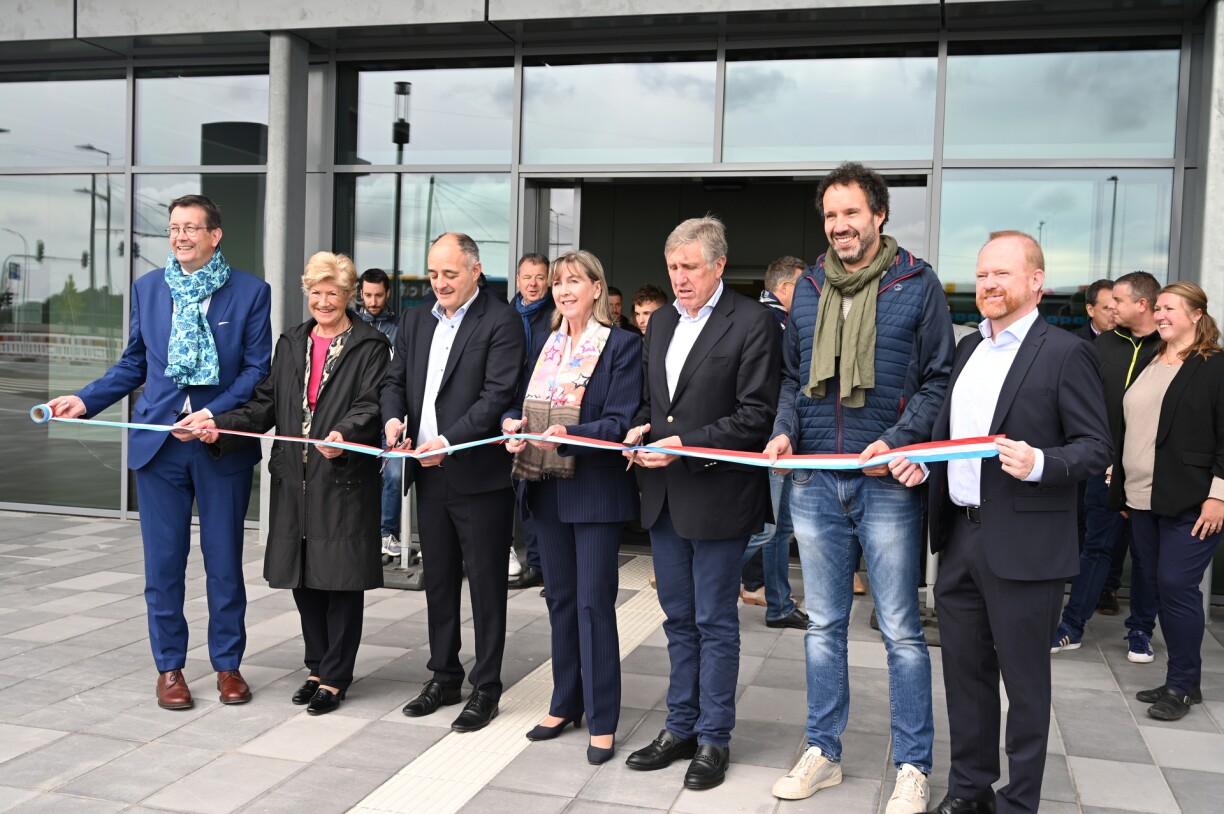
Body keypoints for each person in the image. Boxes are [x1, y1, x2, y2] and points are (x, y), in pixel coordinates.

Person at [890, 231, 1111, 814]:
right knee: (966, 677)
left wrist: (1041, 463)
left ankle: (1019, 802)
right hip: (960, 537)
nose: (989, 284)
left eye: (1002, 274)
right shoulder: (967, 351)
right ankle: (970, 791)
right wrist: (924, 463)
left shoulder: (1065, 353)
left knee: (1025, 685)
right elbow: (951, 438)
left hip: (1026, 546)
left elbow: (1096, 447)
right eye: (983, 274)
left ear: (1036, 281)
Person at [764, 162, 952, 812]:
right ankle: (824, 751)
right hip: (817, 479)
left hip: (887, 485)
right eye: (831, 216)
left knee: (900, 630)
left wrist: (897, 442)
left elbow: (937, 381)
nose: (840, 226)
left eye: (851, 213)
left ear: (878, 215)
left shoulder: (918, 285)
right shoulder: (809, 287)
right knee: (822, 627)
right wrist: (786, 431)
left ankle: (912, 766)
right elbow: (792, 378)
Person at [45, 194, 270, 711]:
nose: (180, 236)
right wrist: (85, 398)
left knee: (223, 564)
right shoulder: (148, 289)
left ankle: (228, 666)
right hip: (160, 449)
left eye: (192, 228)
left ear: (215, 235)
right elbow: (134, 365)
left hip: (219, 447)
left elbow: (258, 371)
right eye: (173, 228)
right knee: (163, 567)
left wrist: (215, 415)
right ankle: (170, 668)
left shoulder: (251, 292)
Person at [622, 216, 780, 791]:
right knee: (678, 620)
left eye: (690, 267)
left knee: (715, 622)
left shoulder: (754, 323)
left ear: (718, 265)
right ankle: (680, 727)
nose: (680, 278)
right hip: (663, 497)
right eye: (673, 268)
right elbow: (651, 402)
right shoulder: (660, 321)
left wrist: (683, 447)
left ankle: (715, 738)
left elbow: (755, 415)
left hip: (717, 494)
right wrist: (640, 431)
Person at [197, 252, 389, 715]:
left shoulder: (370, 345)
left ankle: (337, 677)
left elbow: (372, 403)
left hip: (341, 478)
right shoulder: (291, 341)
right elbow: (266, 403)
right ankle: (317, 667)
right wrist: (218, 425)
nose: (323, 301)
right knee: (304, 576)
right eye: (316, 292)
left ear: (348, 296)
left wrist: (347, 432)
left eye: (333, 292)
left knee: (339, 581)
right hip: (294, 478)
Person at [501, 250, 642, 765]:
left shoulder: (623, 346)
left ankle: (603, 717)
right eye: (558, 282)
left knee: (593, 604)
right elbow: (520, 406)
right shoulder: (545, 343)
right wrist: (515, 429)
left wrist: (569, 434)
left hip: (595, 489)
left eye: (573, 281)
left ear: (597, 288)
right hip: (545, 485)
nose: (562, 289)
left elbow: (620, 420)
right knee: (559, 598)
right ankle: (565, 702)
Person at [382, 233, 525, 733]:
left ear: (475, 271)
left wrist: (447, 439)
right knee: (437, 581)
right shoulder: (416, 318)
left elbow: (496, 395)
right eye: (434, 273)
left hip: (478, 475)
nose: (439, 282)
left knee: (486, 586)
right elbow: (395, 380)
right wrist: (392, 419)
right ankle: (444, 675)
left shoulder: (501, 320)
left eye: (450, 273)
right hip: (428, 473)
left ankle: (486, 686)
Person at [1108, 281, 1223, 721]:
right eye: (1157, 308)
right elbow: (1132, 431)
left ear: (1196, 314)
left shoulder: (1213, 366)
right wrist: (1122, 489)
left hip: (1193, 500)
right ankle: (1184, 679)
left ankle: (1181, 684)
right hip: (1142, 498)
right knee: (1159, 586)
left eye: (1170, 308)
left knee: (1176, 586)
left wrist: (1219, 497)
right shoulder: (1153, 361)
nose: (1160, 315)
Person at [1090, 272, 1163, 652]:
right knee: (1095, 547)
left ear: (1142, 304)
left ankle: (1140, 632)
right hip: (1101, 466)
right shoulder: (1104, 344)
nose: (1111, 308)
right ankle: (1071, 624)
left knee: (1145, 556)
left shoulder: (1169, 349)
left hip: (1150, 473)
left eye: (1117, 301)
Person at [740, 255, 806, 629]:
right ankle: (701, 578)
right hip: (769, 437)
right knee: (767, 527)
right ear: (784, 289)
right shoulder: (768, 323)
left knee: (778, 529)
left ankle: (779, 604)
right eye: (803, 286)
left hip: (776, 436)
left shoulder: (774, 320)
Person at [509, 252, 553, 590]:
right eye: (528, 277)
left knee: (533, 491)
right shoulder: (505, 315)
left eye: (540, 277)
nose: (533, 284)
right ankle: (528, 560)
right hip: (507, 415)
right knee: (514, 494)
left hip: (543, 415)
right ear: (519, 279)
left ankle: (540, 564)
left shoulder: (557, 316)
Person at [357, 268, 403, 560]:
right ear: (360, 294)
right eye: (368, 295)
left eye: (378, 295)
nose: (373, 301)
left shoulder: (400, 327)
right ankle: (361, 533)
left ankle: (387, 534)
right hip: (359, 412)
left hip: (390, 411)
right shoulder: (350, 325)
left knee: (395, 473)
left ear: (387, 294)